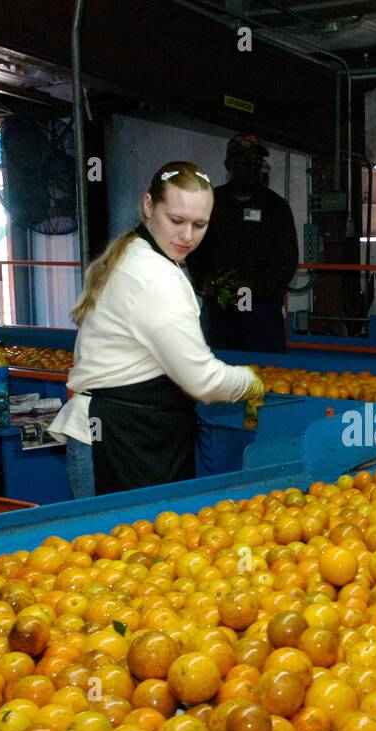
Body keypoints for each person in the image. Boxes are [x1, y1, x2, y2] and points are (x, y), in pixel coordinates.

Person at [49, 161, 264, 497]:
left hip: (130, 435)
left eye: (199, 224)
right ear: (149, 205)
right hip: (119, 442)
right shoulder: (154, 274)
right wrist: (249, 382)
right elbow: (202, 381)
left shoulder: (140, 252)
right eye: (176, 220)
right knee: (121, 546)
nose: (187, 236)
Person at [185, 133, 299, 353]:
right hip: (221, 311)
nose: (253, 168)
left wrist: (254, 289)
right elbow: (194, 249)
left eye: (257, 163)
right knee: (219, 373)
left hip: (262, 312)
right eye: (245, 162)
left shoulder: (275, 208)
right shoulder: (210, 204)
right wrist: (204, 282)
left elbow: (286, 260)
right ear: (229, 164)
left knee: (266, 376)